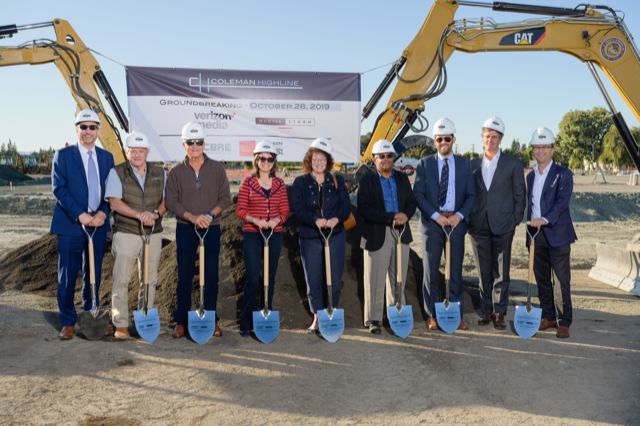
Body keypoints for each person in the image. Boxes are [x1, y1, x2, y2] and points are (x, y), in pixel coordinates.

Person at [51, 109, 115, 340]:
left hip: (97, 226)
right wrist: (80, 214)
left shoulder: (107, 157)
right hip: (71, 225)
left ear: (98, 130)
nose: (88, 131)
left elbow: (111, 192)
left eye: (92, 127)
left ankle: (90, 315)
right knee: (67, 275)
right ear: (76, 129)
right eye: (83, 127)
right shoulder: (63, 155)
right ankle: (68, 321)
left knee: (93, 274)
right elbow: (59, 188)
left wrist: (103, 213)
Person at [165, 121, 231, 338]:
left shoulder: (218, 168)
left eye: (199, 142)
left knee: (211, 275)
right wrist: (193, 217)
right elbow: (171, 202)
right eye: (190, 142)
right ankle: (182, 321)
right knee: (184, 275)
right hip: (185, 229)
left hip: (211, 228)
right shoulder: (175, 171)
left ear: (204, 143)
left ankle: (211, 318)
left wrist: (210, 215)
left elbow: (225, 198)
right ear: (183, 144)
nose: (195, 146)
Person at [413, 118, 477, 331]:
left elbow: (471, 196)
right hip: (433, 225)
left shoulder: (464, 164)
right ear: (435, 141)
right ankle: (431, 315)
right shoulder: (424, 164)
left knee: (455, 273)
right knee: (430, 272)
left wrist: (458, 215)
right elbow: (419, 195)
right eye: (439, 139)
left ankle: (455, 316)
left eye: (446, 139)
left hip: (456, 225)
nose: (443, 142)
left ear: (453, 139)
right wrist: (435, 216)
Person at [104, 131, 167, 340]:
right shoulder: (117, 172)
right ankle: (120, 323)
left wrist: (156, 214)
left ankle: (144, 321)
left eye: (141, 151)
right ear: (127, 151)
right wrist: (141, 215)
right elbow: (114, 202)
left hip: (153, 233)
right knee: (121, 279)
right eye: (133, 151)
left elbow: (167, 199)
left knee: (149, 279)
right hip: (126, 233)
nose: (137, 155)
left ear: (147, 152)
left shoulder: (160, 172)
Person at [467, 117, 526, 330]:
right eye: (486, 136)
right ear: (482, 139)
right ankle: (486, 310)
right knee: (483, 272)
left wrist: (516, 220)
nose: (489, 140)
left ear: (500, 139)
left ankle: (500, 313)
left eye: (494, 136)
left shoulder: (512, 163)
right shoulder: (472, 164)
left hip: (504, 226)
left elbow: (520, 194)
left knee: (502, 272)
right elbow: (468, 194)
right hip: (478, 226)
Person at [292, 138, 351, 333]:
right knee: (314, 279)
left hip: (335, 236)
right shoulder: (300, 182)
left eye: (322, 159)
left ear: (328, 162)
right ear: (309, 159)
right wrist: (314, 219)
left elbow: (345, 206)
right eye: (315, 158)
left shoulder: (337, 180)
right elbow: (298, 208)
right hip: (310, 237)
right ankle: (317, 317)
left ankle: (331, 313)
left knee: (334, 278)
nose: (319, 162)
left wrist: (335, 219)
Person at [357, 139, 416, 334]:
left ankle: (396, 316)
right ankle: (373, 319)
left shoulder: (401, 179)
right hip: (377, 233)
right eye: (381, 156)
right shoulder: (367, 180)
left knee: (398, 278)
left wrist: (405, 215)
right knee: (374, 280)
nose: (386, 159)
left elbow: (411, 201)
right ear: (374, 159)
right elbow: (364, 209)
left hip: (401, 233)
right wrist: (391, 217)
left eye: (389, 155)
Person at [527, 127, 577, 339]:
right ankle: (548, 316)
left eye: (545, 147)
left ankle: (564, 321)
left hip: (557, 234)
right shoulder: (529, 177)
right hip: (535, 236)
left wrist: (544, 219)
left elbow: (561, 203)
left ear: (552, 149)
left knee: (561, 280)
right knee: (542, 279)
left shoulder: (563, 174)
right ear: (533, 150)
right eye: (537, 147)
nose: (541, 151)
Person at [236, 141, 290, 337]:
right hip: (253, 234)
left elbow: (285, 210)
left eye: (270, 158)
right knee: (252, 278)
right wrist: (255, 220)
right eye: (262, 158)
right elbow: (240, 210)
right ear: (256, 160)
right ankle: (245, 322)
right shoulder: (247, 182)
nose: (265, 162)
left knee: (269, 278)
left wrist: (277, 219)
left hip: (274, 235)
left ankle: (263, 316)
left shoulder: (279, 184)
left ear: (274, 161)